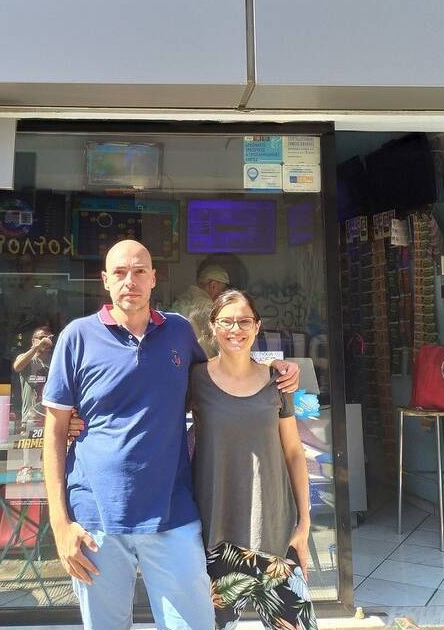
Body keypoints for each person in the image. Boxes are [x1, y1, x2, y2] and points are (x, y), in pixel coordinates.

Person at [42, 240, 300, 630]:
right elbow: (53, 434)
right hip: (96, 520)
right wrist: (60, 525)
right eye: (120, 273)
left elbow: (219, 377)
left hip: (172, 515)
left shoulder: (178, 331)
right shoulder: (77, 337)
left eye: (139, 271)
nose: (130, 281)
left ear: (153, 278)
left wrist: (272, 368)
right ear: (105, 280)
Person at [190, 289, 317, 630]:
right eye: (226, 321)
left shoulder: (278, 382)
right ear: (213, 326)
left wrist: (304, 524)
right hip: (216, 538)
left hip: (276, 534)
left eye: (244, 321)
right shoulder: (195, 379)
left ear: (257, 326)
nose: (236, 329)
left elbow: (294, 453)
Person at [172, 263, 230, 357]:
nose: (223, 294)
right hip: (201, 363)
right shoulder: (209, 308)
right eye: (223, 290)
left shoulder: (181, 301)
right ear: (213, 285)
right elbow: (222, 346)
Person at [13, 325, 54, 430]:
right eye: (42, 338)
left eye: (49, 338)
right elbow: (17, 367)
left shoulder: (55, 361)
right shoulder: (27, 359)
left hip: (50, 419)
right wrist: (36, 347)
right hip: (30, 420)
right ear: (33, 341)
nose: (45, 341)